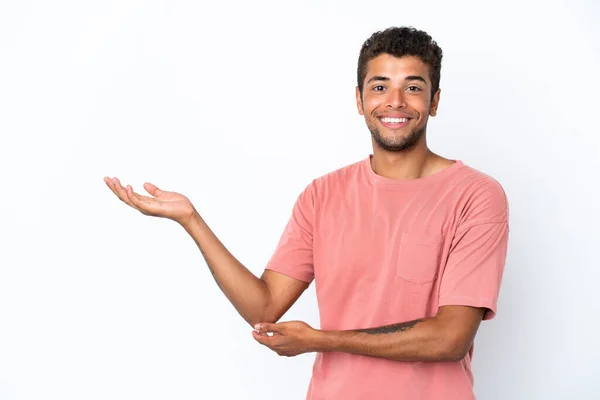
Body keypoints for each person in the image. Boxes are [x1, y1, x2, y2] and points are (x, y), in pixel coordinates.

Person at [104, 26, 509, 400]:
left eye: (413, 87)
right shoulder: (322, 195)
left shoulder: (475, 196)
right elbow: (264, 308)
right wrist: (192, 220)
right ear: (359, 99)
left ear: (434, 101)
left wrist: (321, 340)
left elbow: (449, 338)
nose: (395, 102)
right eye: (380, 86)